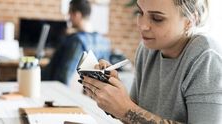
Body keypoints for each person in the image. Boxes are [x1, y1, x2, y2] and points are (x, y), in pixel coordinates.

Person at [81, 0, 222, 123]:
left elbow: (130, 113)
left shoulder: (206, 57)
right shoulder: (147, 49)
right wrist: (113, 92)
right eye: (140, 12)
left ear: (190, 21)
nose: (143, 26)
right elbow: (133, 118)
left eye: (157, 18)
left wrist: (125, 109)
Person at [42, 0, 111, 85]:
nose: (69, 18)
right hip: (90, 94)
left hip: (54, 88)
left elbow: (64, 76)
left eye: (70, 14)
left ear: (77, 15)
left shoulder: (76, 41)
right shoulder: (104, 42)